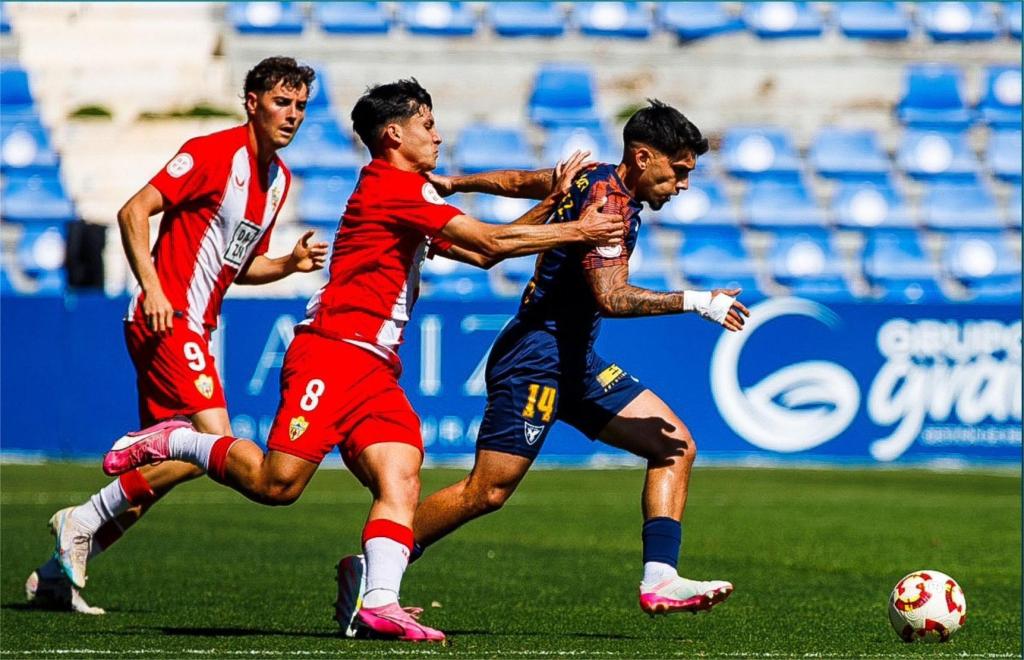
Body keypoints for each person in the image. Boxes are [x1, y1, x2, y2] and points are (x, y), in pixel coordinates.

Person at [99, 78, 624, 643]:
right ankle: (179, 439)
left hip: (374, 367)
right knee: (278, 485)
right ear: (394, 134)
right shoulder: (392, 188)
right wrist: (580, 228)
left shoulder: (411, 195)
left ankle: (379, 602)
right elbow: (492, 244)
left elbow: (481, 254)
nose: (437, 136)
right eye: (427, 125)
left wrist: (554, 209)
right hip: (331, 352)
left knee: (401, 472)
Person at [333, 99, 752, 636]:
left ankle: (660, 578)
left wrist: (458, 183)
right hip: (536, 358)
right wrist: (697, 301)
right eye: (678, 171)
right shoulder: (611, 207)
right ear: (644, 157)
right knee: (487, 491)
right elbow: (612, 297)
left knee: (673, 445)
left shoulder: (594, 175)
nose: (683, 185)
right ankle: (373, 568)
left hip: (576, 360)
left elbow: (527, 182)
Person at [26, 56, 328, 614]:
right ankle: (81, 520)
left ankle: (52, 579)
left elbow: (240, 265)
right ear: (252, 103)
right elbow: (133, 211)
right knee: (211, 446)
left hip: (195, 326)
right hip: (168, 318)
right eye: (282, 102)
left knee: (159, 474)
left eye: (301, 106)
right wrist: (154, 288)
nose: (293, 115)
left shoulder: (277, 182)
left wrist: (288, 263)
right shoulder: (213, 153)